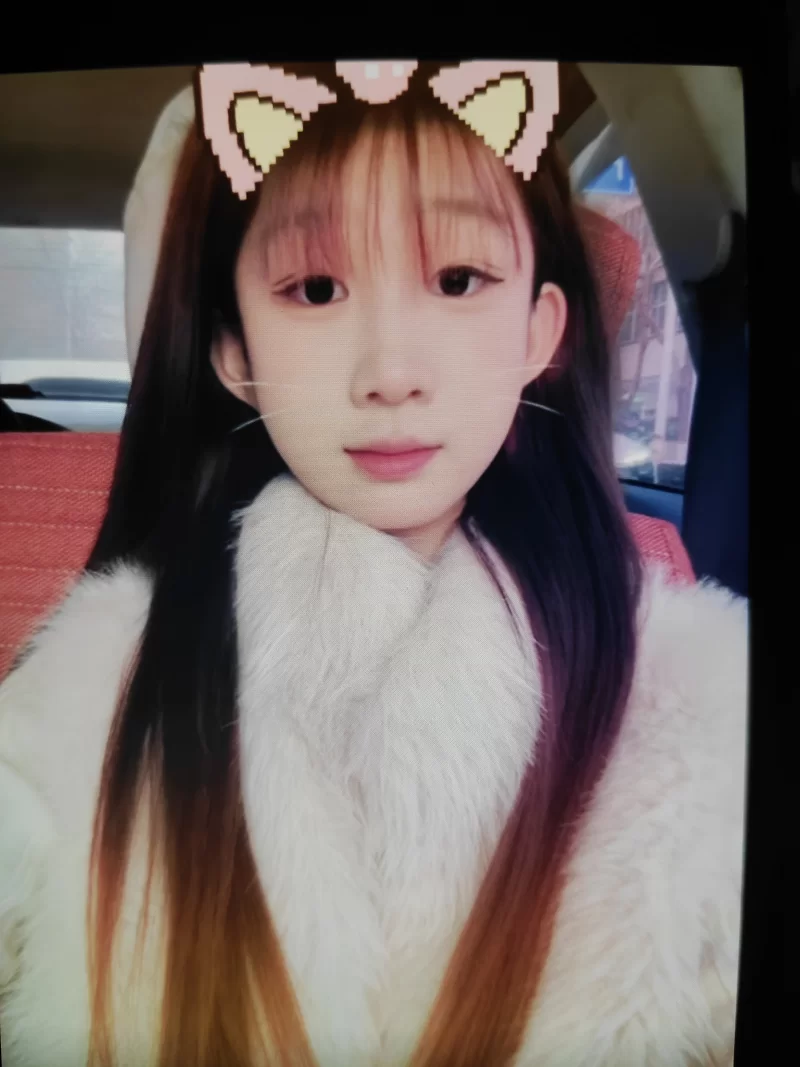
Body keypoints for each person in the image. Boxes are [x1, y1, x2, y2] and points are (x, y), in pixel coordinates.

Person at [0, 62, 746, 1067]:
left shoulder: (702, 707)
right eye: (315, 288)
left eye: (457, 279)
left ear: (540, 330)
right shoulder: (88, 689)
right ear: (234, 352)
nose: (390, 372)